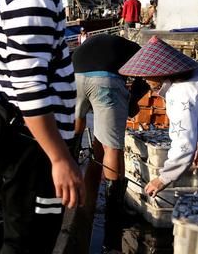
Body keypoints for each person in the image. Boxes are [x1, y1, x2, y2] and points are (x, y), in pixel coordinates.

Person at [0, 0, 123, 253]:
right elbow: (30, 88)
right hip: (34, 148)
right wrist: (60, 159)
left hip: (35, 146)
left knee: (28, 239)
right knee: (28, 243)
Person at [72, 34, 146, 252]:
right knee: (113, 145)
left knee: (76, 129)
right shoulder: (140, 53)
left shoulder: (105, 43)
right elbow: (141, 82)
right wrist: (132, 101)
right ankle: (115, 210)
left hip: (74, 77)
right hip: (105, 82)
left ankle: (72, 184)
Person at [119, 36, 198, 198]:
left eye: (147, 75)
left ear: (161, 73)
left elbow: (183, 143)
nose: (143, 79)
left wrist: (163, 179)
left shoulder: (181, 93)